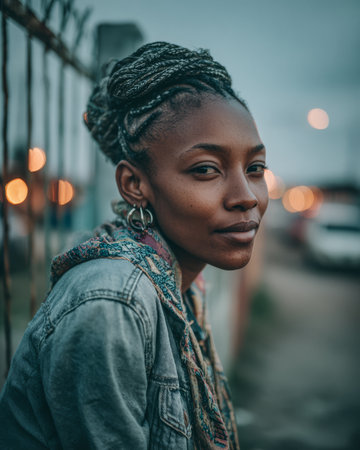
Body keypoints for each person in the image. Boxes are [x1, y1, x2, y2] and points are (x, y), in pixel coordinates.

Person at [0, 41, 268, 449]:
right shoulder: (110, 305)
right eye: (205, 169)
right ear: (134, 185)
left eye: (255, 168)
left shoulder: (178, 283)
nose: (246, 195)